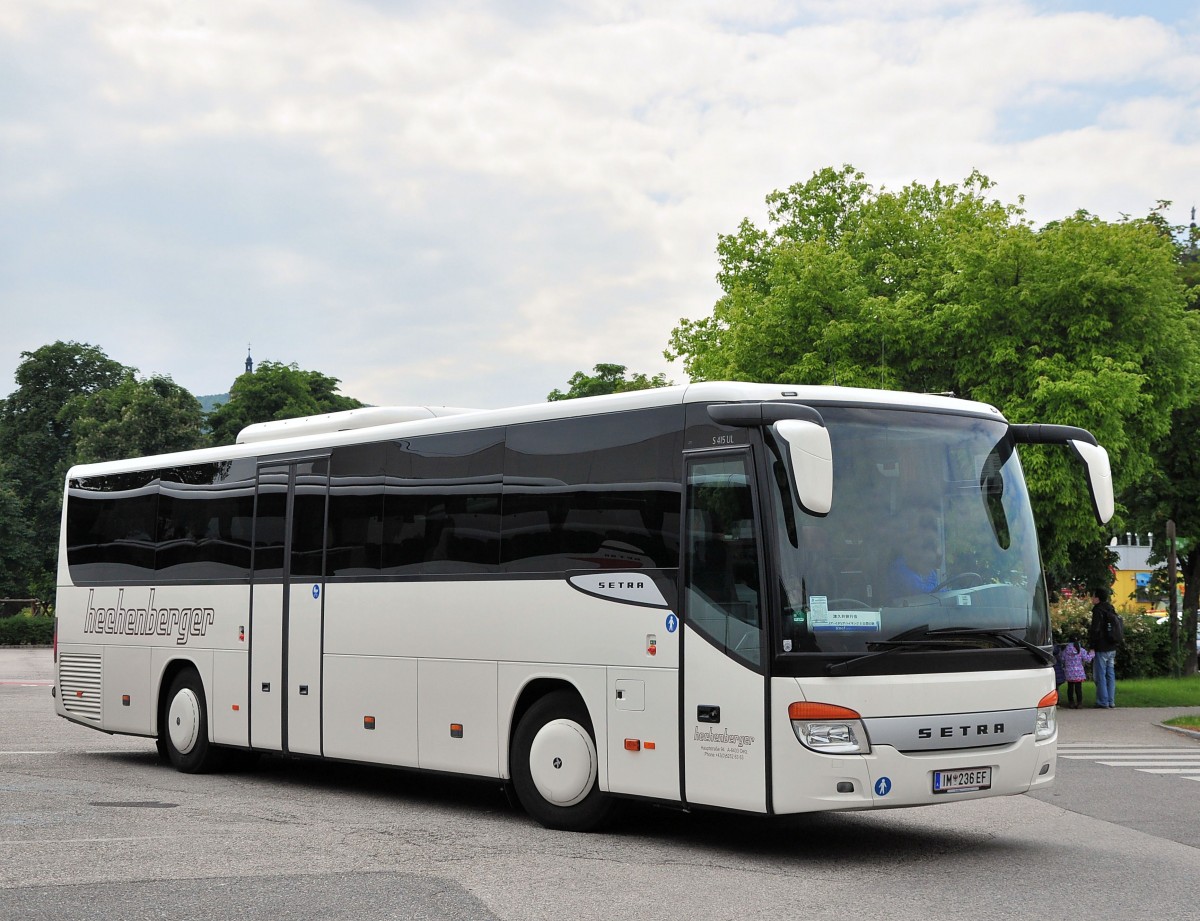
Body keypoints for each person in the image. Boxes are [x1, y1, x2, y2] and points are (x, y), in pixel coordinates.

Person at [1088, 587, 1123, 709]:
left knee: (1100, 674)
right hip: (1112, 646)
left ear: (1097, 598)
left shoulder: (1098, 610)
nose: (1092, 598)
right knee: (1110, 674)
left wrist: (1092, 646)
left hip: (1101, 647)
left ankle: (1102, 701)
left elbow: (1095, 630)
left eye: (1093, 596)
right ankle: (1111, 701)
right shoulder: (1110, 608)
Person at [1057, 635, 1094, 709]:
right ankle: (1079, 703)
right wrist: (1092, 653)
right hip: (1079, 673)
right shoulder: (1081, 650)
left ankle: (1071, 703)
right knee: (1078, 688)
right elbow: (1088, 659)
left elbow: (1062, 659)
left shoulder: (1065, 650)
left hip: (1069, 672)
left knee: (1070, 687)